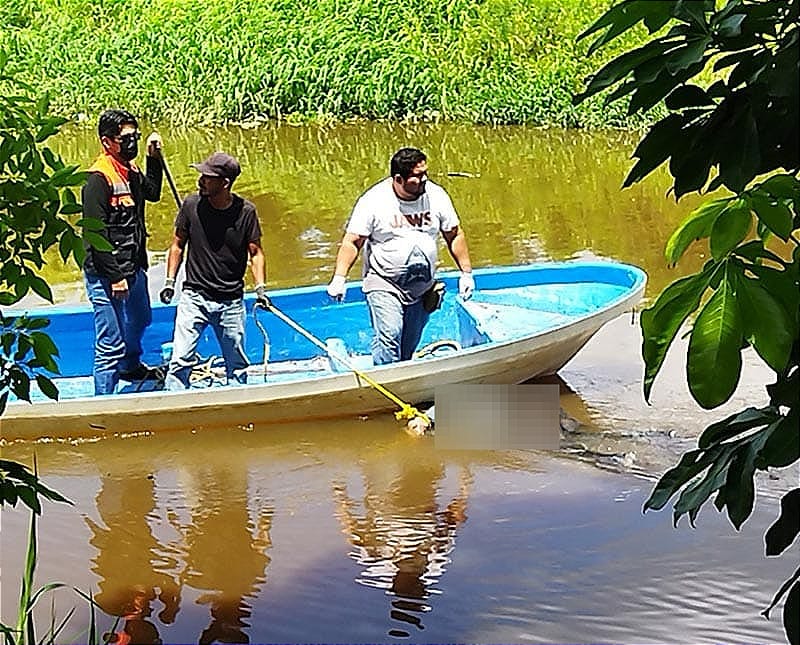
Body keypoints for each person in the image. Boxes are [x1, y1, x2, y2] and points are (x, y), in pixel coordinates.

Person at [327, 147, 474, 365]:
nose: (424, 179)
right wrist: (339, 277)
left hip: (421, 286)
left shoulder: (436, 196)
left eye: (425, 173)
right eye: (417, 176)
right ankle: (389, 390)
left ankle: (395, 376)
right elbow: (353, 241)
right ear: (398, 178)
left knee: (406, 348)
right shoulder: (374, 201)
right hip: (384, 282)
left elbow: (454, 234)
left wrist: (466, 273)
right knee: (390, 333)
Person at [160, 152, 268, 390]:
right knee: (180, 360)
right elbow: (177, 246)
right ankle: (174, 402)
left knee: (237, 364)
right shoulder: (191, 206)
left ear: (225, 183)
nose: (201, 180)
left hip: (230, 301)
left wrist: (260, 288)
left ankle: (237, 404)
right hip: (194, 297)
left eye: (207, 177)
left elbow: (256, 253)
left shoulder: (245, 212)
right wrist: (169, 282)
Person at [82, 109, 163, 395]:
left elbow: (152, 193)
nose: (132, 143)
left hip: (133, 265)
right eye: (125, 138)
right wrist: (115, 277)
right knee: (110, 343)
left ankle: (130, 365)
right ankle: (104, 404)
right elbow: (94, 233)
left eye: (135, 137)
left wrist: (154, 158)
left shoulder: (130, 170)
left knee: (141, 318)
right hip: (106, 273)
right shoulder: (98, 179)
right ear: (107, 142)